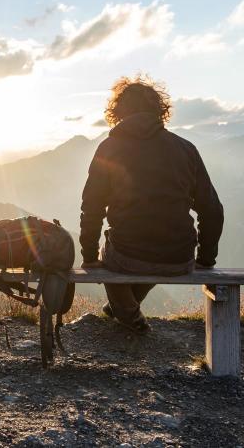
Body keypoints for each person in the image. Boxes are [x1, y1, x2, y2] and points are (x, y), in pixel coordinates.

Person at [79, 75, 224, 334]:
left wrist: (89, 256)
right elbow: (212, 209)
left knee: (110, 251)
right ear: (159, 110)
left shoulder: (109, 148)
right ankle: (118, 309)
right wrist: (205, 258)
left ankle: (129, 316)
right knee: (153, 247)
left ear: (119, 111)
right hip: (178, 257)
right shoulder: (185, 149)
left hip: (127, 256)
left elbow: (92, 207)